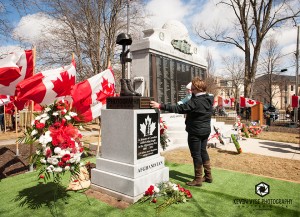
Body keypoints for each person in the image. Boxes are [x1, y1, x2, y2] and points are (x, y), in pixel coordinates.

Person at [150, 77, 213, 187]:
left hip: (195, 131)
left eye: (192, 88)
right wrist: (193, 93)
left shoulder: (195, 102)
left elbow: (178, 108)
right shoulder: (208, 98)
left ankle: (198, 179)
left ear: (197, 89)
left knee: (196, 154)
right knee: (203, 151)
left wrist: (160, 106)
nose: (190, 90)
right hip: (205, 130)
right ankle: (208, 176)